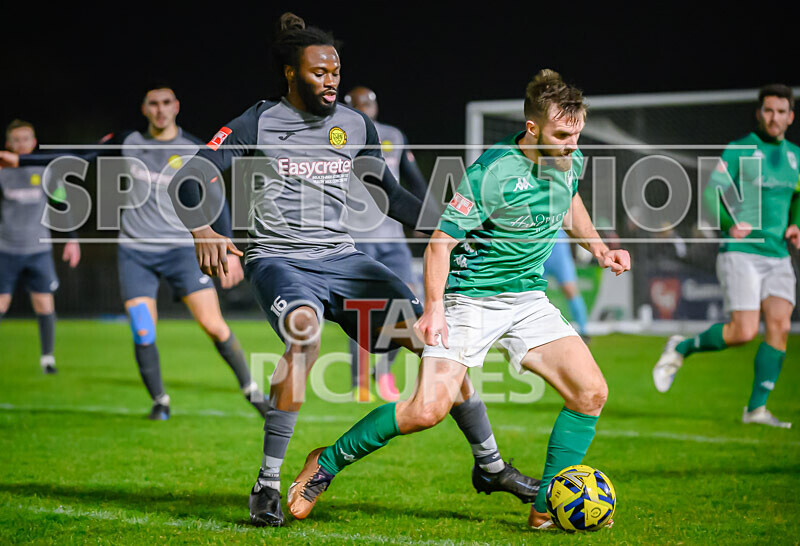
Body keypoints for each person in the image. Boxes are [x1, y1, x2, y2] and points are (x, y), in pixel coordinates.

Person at [168, 12, 540, 528]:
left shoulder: (353, 126)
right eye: (318, 72)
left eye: (335, 71)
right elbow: (189, 178)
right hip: (281, 261)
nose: (331, 80)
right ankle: (268, 482)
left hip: (344, 262)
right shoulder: (256, 122)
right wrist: (204, 230)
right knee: (304, 336)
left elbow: (391, 198)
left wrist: (454, 228)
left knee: (439, 344)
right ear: (291, 75)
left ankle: (491, 466)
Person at [287, 69, 630, 530]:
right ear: (533, 128)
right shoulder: (491, 173)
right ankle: (324, 464)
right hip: (471, 300)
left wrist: (600, 248)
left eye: (577, 134)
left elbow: (569, 203)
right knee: (424, 411)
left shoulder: (571, 159)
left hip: (528, 300)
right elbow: (440, 243)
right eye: (563, 134)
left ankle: (545, 507)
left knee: (591, 392)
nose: (572, 144)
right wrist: (432, 309)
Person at [0, 86, 268, 421]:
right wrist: (22, 160)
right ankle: (160, 401)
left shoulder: (193, 149)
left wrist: (228, 248)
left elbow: (216, 198)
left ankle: (252, 391)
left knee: (214, 326)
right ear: (144, 109)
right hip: (136, 251)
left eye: (166, 103)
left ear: (177, 107)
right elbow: (77, 155)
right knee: (143, 328)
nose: (160, 110)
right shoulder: (127, 142)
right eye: (153, 104)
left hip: (181, 251)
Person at [653, 84, 800, 428]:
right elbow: (710, 194)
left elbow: (797, 197)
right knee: (743, 332)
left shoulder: (795, 156)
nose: (774, 117)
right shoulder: (739, 150)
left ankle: (756, 409)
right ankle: (682, 347)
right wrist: (727, 224)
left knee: (779, 326)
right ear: (759, 113)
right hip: (742, 252)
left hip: (778, 253)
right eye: (768, 110)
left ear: (790, 116)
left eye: (781, 111)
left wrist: (795, 225)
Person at [344, 86, 428, 402]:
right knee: (361, 310)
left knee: (410, 303)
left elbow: (414, 180)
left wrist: (426, 218)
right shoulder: (338, 135)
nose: (365, 107)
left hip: (393, 240)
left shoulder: (394, 135)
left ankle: (382, 371)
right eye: (358, 103)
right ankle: (359, 381)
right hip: (357, 238)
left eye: (369, 102)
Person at [0, 119, 81, 374]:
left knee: (44, 304)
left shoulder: (45, 170)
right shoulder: (2, 171)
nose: (21, 144)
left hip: (38, 251)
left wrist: (72, 238)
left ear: (34, 142)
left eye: (26, 139)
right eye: (16, 140)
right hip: (6, 250)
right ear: (7, 144)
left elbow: (61, 205)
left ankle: (47, 358)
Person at [543, 228, 590, 340]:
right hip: (536, 246)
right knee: (532, 291)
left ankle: (584, 331)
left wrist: (583, 244)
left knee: (570, 289)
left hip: (558, 248)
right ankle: (534, 331)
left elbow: (573, 219)